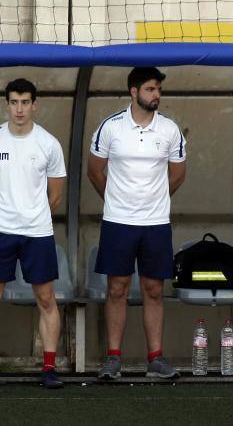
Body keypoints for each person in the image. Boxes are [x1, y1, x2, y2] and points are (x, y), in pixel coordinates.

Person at [87, 67, 186, 380]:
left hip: (156, 223)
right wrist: (117, 200)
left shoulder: (169, 129)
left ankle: (155, 358)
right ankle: (113, 359)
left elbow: (177, 175)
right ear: (134, 91)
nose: (156, 95)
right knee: (116, 288)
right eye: (150, 89)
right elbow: (95, 171)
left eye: (158, 90)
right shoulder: (110, 127)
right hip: (118, 222)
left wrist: (154, 201)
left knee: (154, 289)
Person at [0, 78, 67, 389]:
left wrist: (31, 216)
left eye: (25, 102)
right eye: (14, 102)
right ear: (7, 104)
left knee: (46, 298)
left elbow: (55, 196)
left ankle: (48, 369)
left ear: (34, 105)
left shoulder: (49, 143)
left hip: (38, 232)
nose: (19, 109)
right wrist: (7, 214)